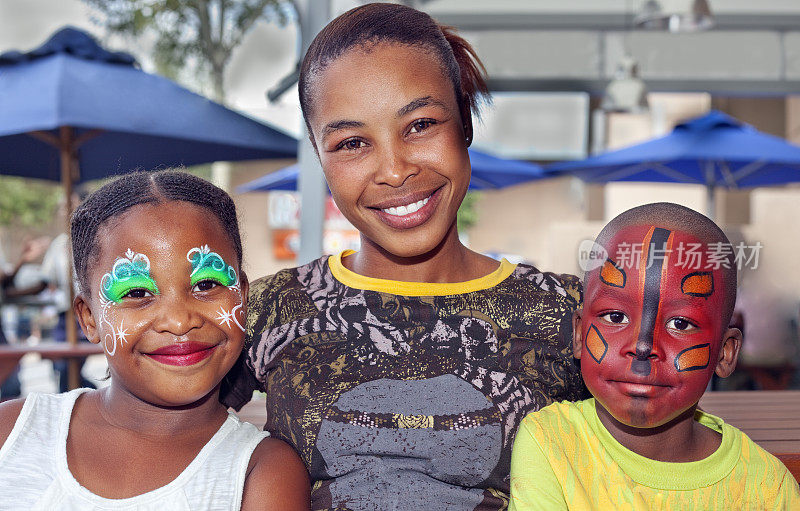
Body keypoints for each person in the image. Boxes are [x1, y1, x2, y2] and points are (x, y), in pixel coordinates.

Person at [223, 4, 586, 509]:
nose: (394, 170)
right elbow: (165, 432)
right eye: (352, 142)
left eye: (419, 125)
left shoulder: (565, 310)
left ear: (465, 125)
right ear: (318, 156)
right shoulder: (274, 309)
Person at [0, 171, 309, 510]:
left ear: (243, 296)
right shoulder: (12, 434)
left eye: (207, 284)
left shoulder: (262, 474)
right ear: (89, 318)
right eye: (136, 292)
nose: (179, 320)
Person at [509, 202, 800, 510]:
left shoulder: (767, 486)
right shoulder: (551, 444)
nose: (643, 346)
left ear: (725, 353)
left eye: (681, 323)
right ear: (580, 334)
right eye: (615, 317)